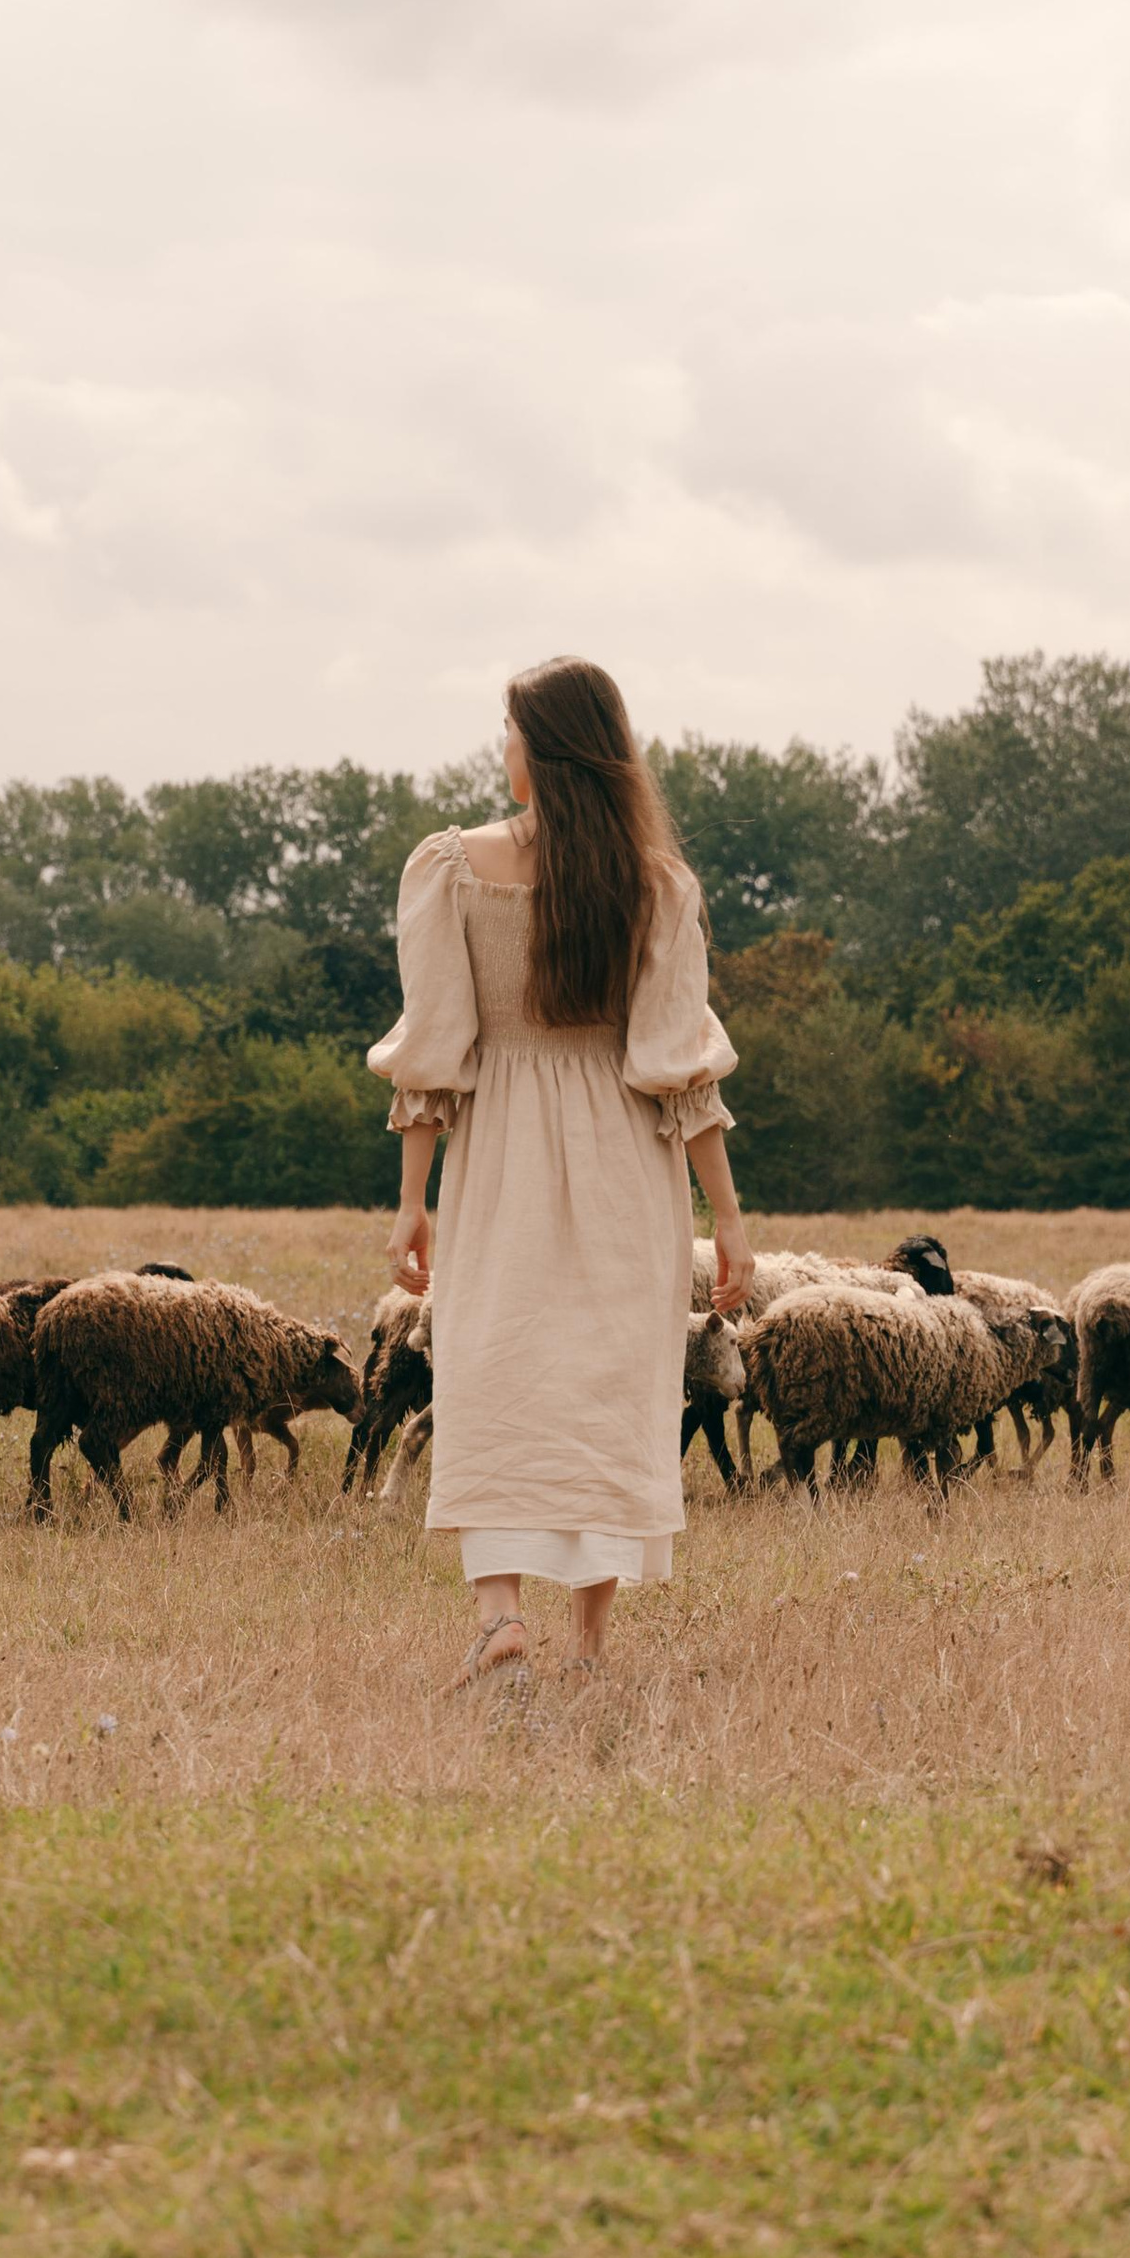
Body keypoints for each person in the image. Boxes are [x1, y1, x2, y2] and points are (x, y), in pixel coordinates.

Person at [369, 655, 755, 1690]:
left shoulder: (452, 868)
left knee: (493, 1371)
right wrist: (727, 1218)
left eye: (509, 731)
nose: (501, 748)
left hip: (499, 1155)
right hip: (626, 1161)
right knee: (607, 1386)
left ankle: (501, 1618)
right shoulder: (656, 885)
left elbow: (433, 1053)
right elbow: (682, 1070)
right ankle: (587, 1648)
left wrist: (411, 1202)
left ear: (541, 748)